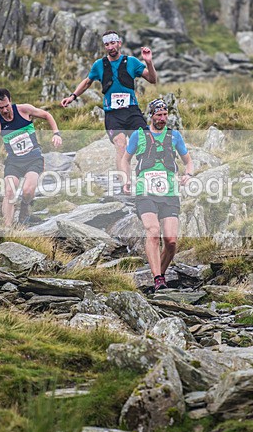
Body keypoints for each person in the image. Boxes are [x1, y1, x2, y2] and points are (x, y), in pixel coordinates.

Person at [118, 99, 194, 292]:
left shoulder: (174, 136)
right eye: (158, 115)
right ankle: (158, 278)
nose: (162, 119)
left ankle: (157, 273)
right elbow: (125, 160)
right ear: (150, 115)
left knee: (171, 241)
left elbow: (188, 161)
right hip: (146, 192)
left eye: (165, 115)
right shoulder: (139, 135)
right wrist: (126, 179)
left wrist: (188, 174)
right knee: (153, 231)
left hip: (169, 193)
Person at [60, 30, 157, 170]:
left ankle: (147, 174)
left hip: (132, 111)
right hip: (113, 114)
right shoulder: (99, 65)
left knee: (145, 141)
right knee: (120, 143)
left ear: (119, 43)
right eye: (107, 44)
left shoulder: (131, 62)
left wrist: (148, 62)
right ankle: (125, 184)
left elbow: (152, 79)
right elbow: (87, 82)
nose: (110, 47)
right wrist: (72, 96)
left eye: (113, 43)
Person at [0, 88, 62, 227]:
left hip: (33, 159)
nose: (5, 110)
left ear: (10, 101)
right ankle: (7, 228)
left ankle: (25, 207)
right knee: (9, 191)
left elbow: (47, 115)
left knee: (27, 190)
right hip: (14, 162)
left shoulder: (24, 110)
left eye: (7, 105)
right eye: (1, 108)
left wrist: (56, 133)